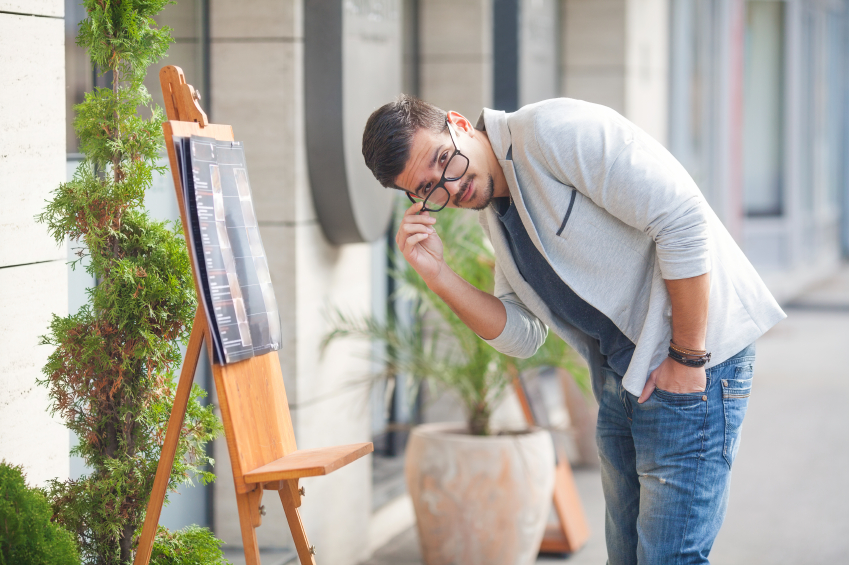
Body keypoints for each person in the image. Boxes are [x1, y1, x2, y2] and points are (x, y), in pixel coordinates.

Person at [361, 95, 785, 564]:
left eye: (445, 159)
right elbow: (524, 334)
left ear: (459, 124)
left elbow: (682, 218)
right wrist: (438, 276)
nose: (452, 183)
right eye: (429, 188)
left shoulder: (550, 131)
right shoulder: (497, 211)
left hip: (694, 361)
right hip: (622, 378)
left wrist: (687, 359)